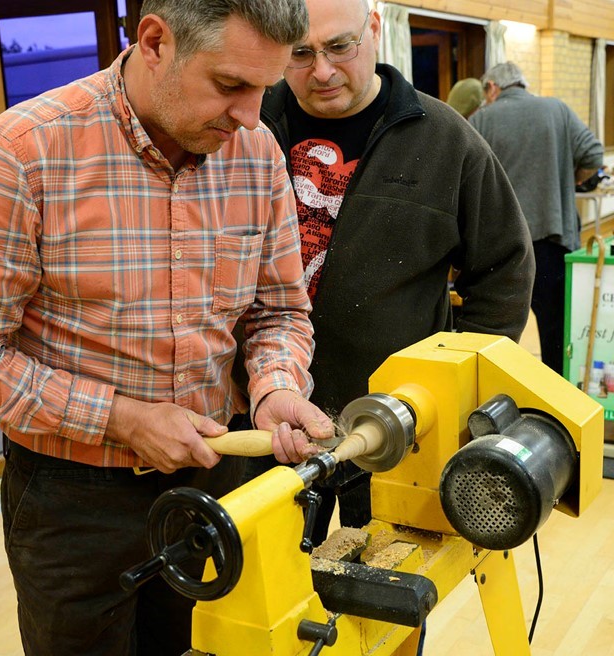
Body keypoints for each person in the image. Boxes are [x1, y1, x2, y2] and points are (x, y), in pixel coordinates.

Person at [0, 1, 336, 654]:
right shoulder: (21, 154)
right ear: (156, 41)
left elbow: (276, 311)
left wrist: (274, 387)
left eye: (264, 89)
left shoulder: (255, 154)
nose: (251, 116)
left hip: (213, 481)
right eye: (230, 84)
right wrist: (122, 419)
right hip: (71, 503)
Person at [240, 0, 535, 550]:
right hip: (260, 419)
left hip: (392, 427)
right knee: (264, 583)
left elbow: (504, 268)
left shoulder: (447, 140)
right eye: (300, 53)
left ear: (373, 29)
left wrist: (452, 387)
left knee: (383, 588)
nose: (321, 71)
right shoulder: (243, 125)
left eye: (339, 47)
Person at [471, 61, 604, 374]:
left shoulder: (482, 119)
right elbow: (594, 156)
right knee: (555, 331)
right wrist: (569, 181)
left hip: (501, 248)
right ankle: (555, 395)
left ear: (492, 88)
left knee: (494, 333)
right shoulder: (557, 109)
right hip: (551, 241)